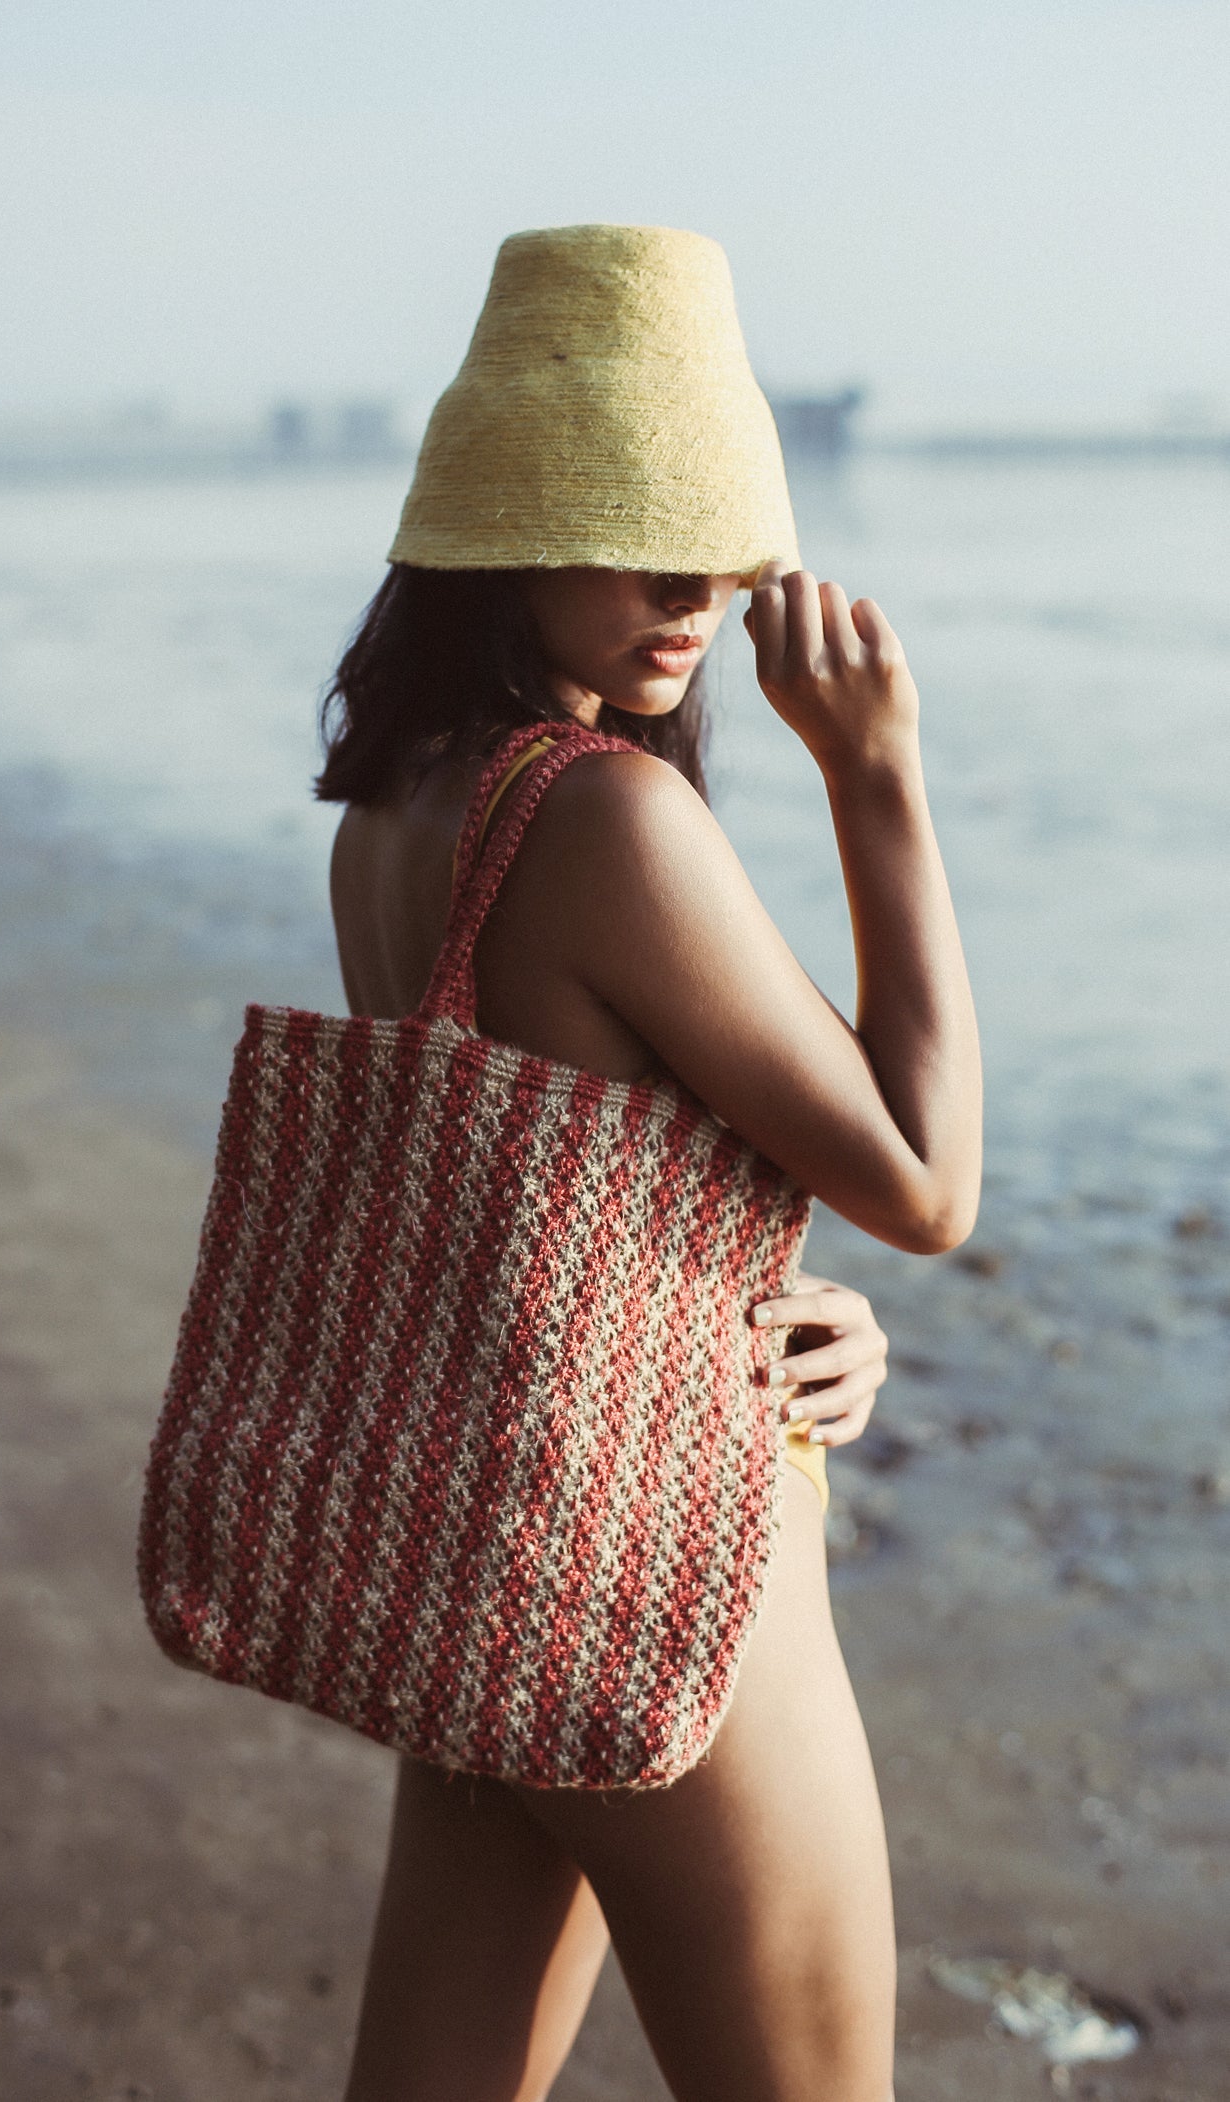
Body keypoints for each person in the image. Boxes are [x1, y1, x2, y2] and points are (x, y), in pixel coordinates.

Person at [314, 227, 982, 2101]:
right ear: (510, 529)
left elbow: (540, 1192)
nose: (698, 594)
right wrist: (879, 780)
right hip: (681, 1576)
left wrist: (792, 1303)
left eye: (721, 544)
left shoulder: (395, 808)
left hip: (499, 1546)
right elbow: (931, 1180)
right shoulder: (604, 815)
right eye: (641, 537)